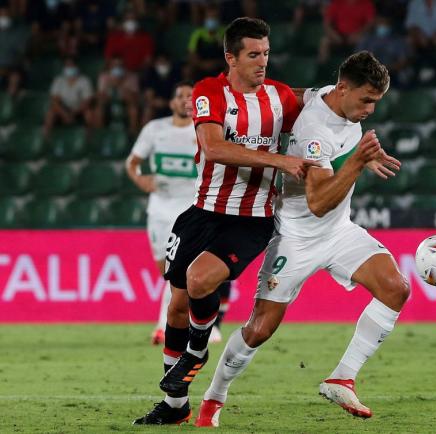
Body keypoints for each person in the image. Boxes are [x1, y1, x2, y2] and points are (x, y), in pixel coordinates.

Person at [193, 51, 408, 428]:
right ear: (344, 89)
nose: (371, 109)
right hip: (296, 237)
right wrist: (356, 161)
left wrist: (353, 160)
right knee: (259, 329)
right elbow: (319, 202)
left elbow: (288, 96)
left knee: (395, 287)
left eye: (377, 101)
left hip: (339, 232)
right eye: (366, 100)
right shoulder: (314, 132)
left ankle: (341, 377)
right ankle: (214, 396)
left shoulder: (325, 95)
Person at [132, 17, 316, 426]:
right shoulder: (209, 91)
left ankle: (198, 349)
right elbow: (213, 148)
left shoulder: (279, 97)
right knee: (177, 308)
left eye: (266, 53)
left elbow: (319, 104)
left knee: (200, 281)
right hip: (200, 213)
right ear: (231, 57)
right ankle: (175, 405)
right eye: (253, 54)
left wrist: (346, 99)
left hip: (250, 220)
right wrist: (279, 159)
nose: (262, 62)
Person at [124, 80, 230, 346]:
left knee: (179, 270)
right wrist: (141, 180)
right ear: (172, 102)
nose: (185, 100)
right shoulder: (154, 129)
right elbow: (132, 162)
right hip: (159, 209)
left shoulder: (206, 129)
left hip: (191, 209)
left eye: (190, 96)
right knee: (167, 272)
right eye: (180, 95)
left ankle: (167, 327)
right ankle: (185, 323)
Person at [43, 57, 95, 136]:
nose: (69, 68)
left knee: (89, 114)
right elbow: (55, 101)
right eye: (67, 66)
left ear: (76, 67)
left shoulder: (84, 80)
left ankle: (90, 140)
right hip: (63, 109)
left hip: (79, 110)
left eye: (72, 66)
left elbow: (87, 102)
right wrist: (64, 114)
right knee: (50, 113)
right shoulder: (58, 80)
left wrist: (73, 114)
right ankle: (46, 140)